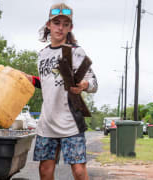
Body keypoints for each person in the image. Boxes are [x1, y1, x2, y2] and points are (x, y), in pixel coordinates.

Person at [22, 3, 98, 180]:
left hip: (70, 123)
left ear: (70, 28)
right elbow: (50, 83)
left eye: (65, 24)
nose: (60, 27)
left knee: (79, 171)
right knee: (45, 171)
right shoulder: (42, 54)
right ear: (48, 25)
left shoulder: (76, 52)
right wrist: (32, 80)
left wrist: (84, 85)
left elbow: (94, 83)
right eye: (56, 23)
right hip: (46, 123)